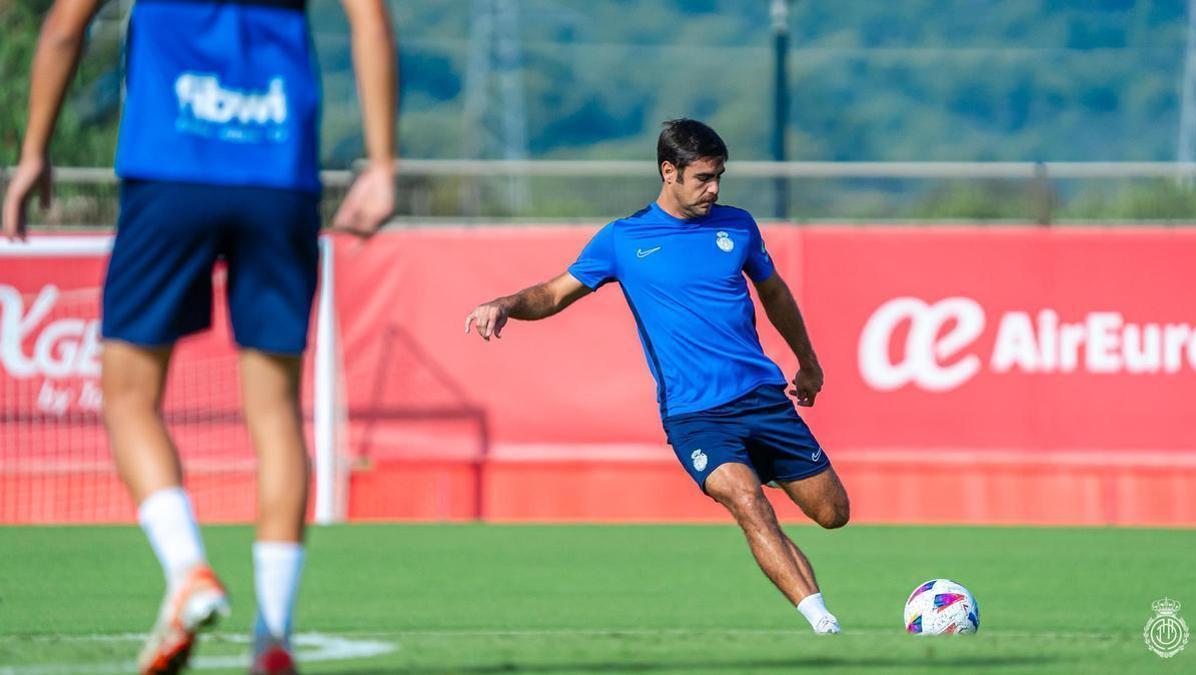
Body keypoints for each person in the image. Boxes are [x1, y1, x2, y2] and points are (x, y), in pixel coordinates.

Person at [2, 0, 397, 672]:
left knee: (128, 394)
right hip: (279, 175)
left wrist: (34, 150)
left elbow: (67, 25)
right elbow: (370, 20)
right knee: (274, 411)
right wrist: (382, 161)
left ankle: (187, 568)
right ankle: (274, 637)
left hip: (170, 169)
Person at [464, 118, 850, 634]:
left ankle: (765, 467)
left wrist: (808, 362)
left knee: (832, 513)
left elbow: (774, 294)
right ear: (669, 171)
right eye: (703, 178)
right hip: (695, 415)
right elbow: (554, 294)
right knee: (748, 504)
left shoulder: (738, 227)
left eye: (719, 177)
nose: (713, 188)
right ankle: (821, 621)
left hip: (762, 397)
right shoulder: (624, 239)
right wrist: (506, 304)